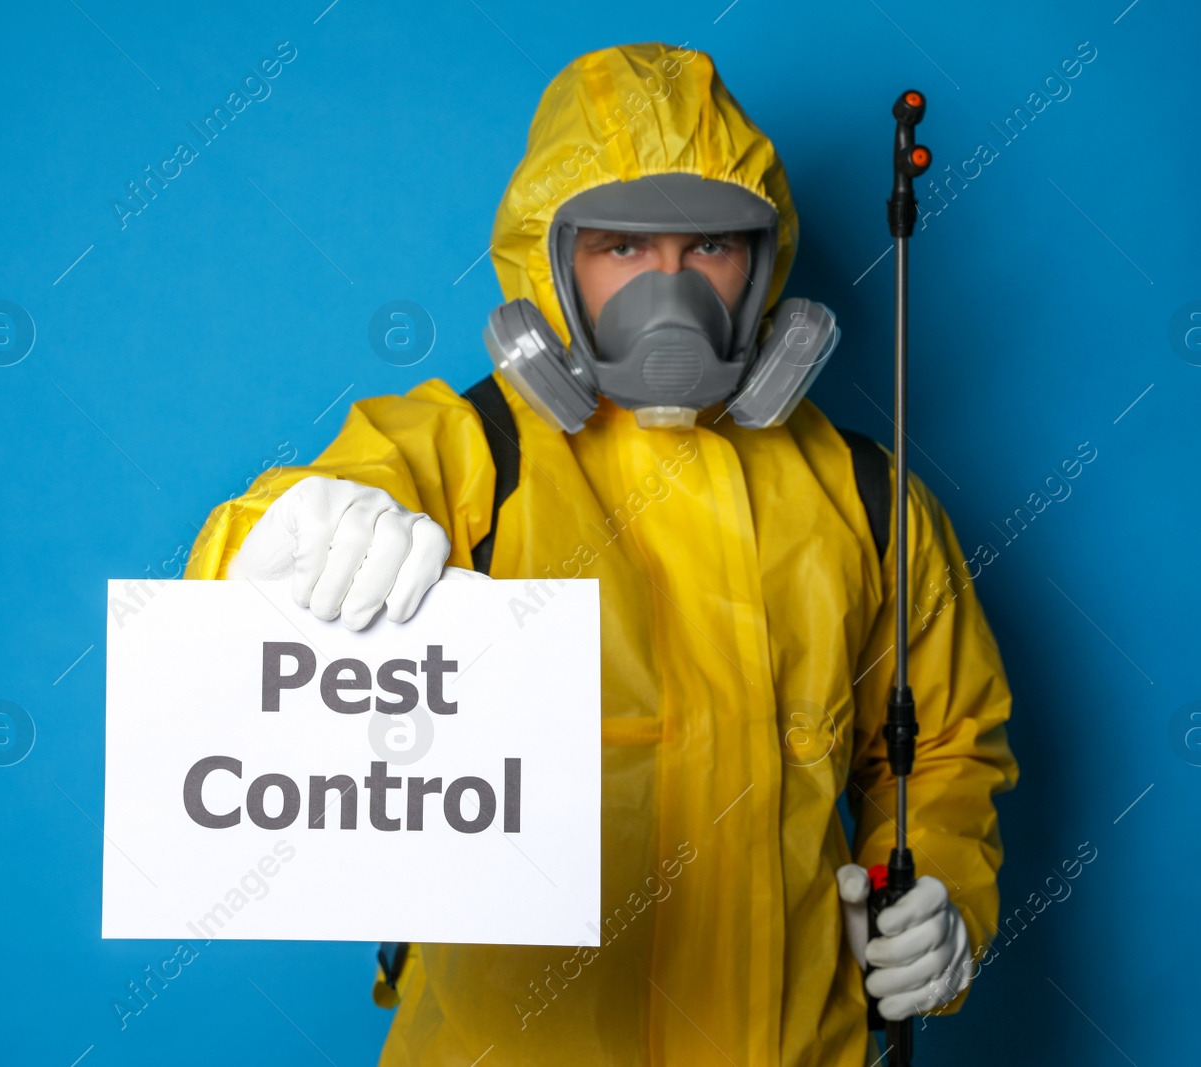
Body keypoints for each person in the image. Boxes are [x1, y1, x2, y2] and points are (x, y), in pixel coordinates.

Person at [184, 41, 1018, 1066]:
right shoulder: (471, 455)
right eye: (622, 247)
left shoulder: (868, 497)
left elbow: (942, 745)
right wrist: (287, 539)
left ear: (761, 263)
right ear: (552, 259)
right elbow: (254, 563)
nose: (667, 292)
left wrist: (939, 892)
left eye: (707, 249)